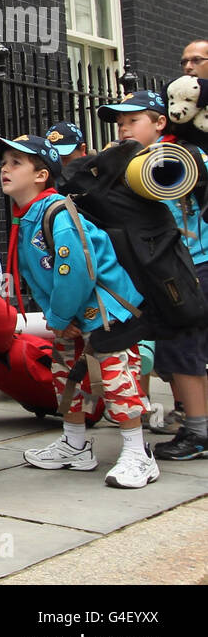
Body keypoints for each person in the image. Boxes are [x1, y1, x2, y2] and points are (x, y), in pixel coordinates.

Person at [0, 133, 158, 487]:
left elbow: (75, 271)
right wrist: (57, 318)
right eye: (4, 162)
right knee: (66, 376)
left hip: (107, 312)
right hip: (75, 315)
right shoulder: (31, 215)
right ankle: (75, 444)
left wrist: (60, 318)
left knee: (116, 378)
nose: (5, 169)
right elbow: (43, 278)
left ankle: (138, 454)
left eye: (16, 163)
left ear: (41, 175)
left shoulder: (56, 213)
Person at [99, 90, 208, 460]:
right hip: (163, 269)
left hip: (191, 266)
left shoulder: (181, 154)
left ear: (160, 122)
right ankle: (192, 422)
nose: (124, 128)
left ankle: (198, 432)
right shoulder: (129, 159)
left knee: (184, 350)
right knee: (173, 353)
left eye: (133, 120)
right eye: (120, 122)